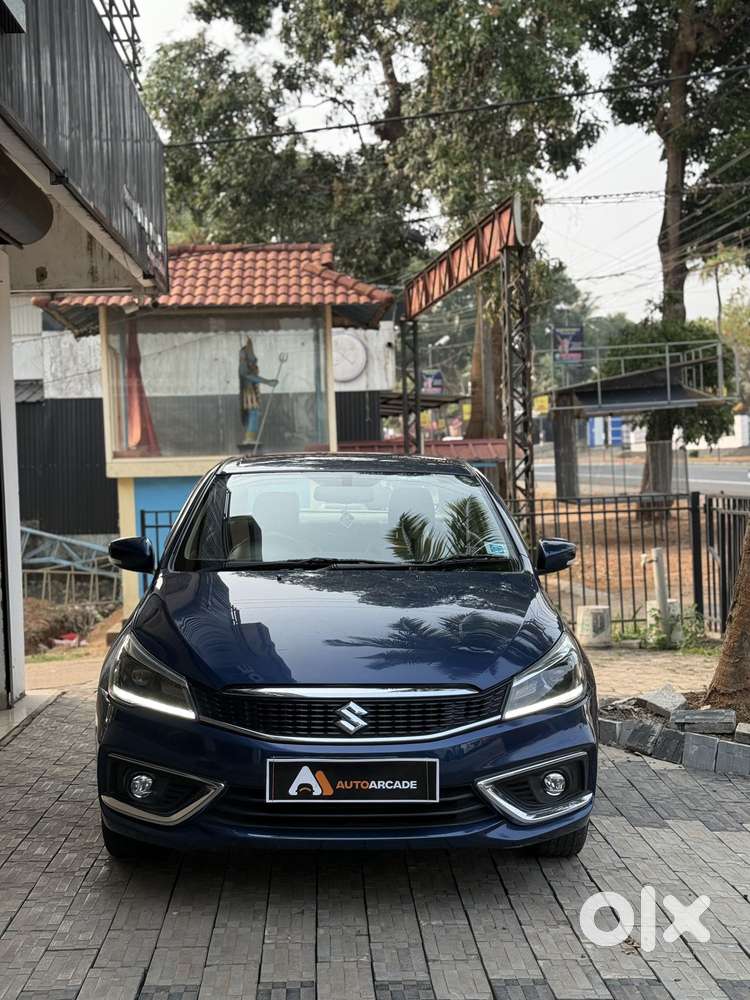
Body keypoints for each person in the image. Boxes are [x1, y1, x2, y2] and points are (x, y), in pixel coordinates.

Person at [238, 337, 278, 445]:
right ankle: (249, 438)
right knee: (253, 413)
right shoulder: (243, 363)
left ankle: (252, 437)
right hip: (248, 392)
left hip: (254, 391)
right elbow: (247, 375)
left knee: (255, 413)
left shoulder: (251, 363)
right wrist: (267, 382)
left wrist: (266, 382)